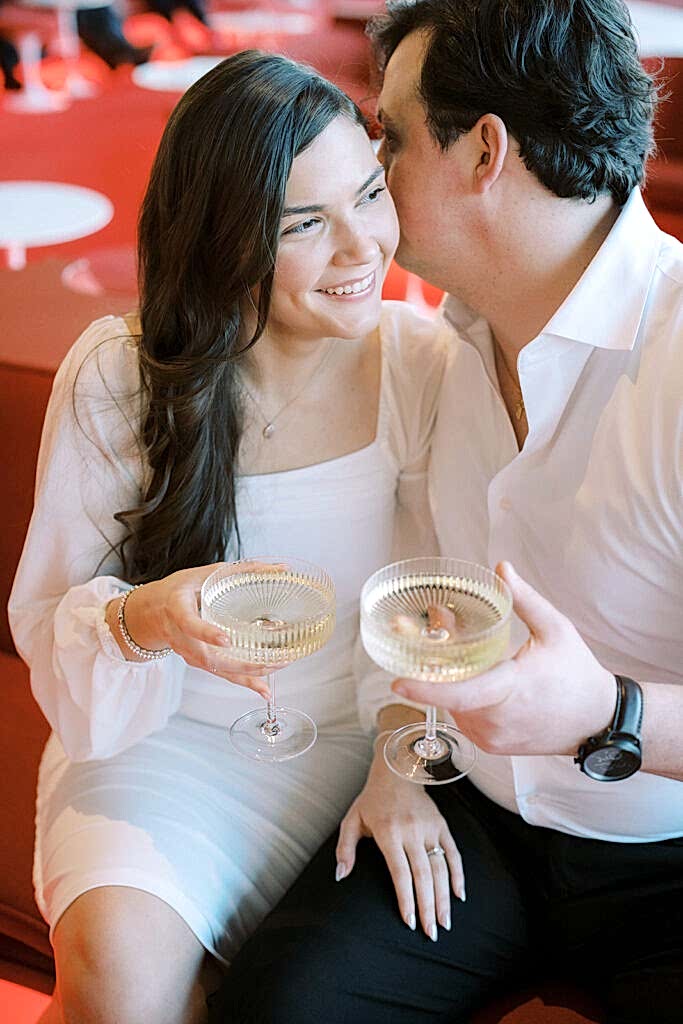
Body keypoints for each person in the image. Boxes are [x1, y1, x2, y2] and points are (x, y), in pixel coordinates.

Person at [210, 2, 683, 1022]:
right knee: (280, 1005)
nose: (367, 170)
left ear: (482, 151)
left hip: (666, 851)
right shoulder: (437, 341)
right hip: (473, 805)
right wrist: (394, 756)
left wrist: (609, 713)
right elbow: (415, 590)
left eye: (385, 135)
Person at [8, 50, 447, 1024]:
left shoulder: (418, 363)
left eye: (368, 194)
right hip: (155, 742)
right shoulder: (121, 377)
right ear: (225, 239)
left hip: (340, 742)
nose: (361, 247)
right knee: (118, 978)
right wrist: (140, 618)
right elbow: (47, 619)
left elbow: (431, 602)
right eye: (304, 224)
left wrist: (396, 765)